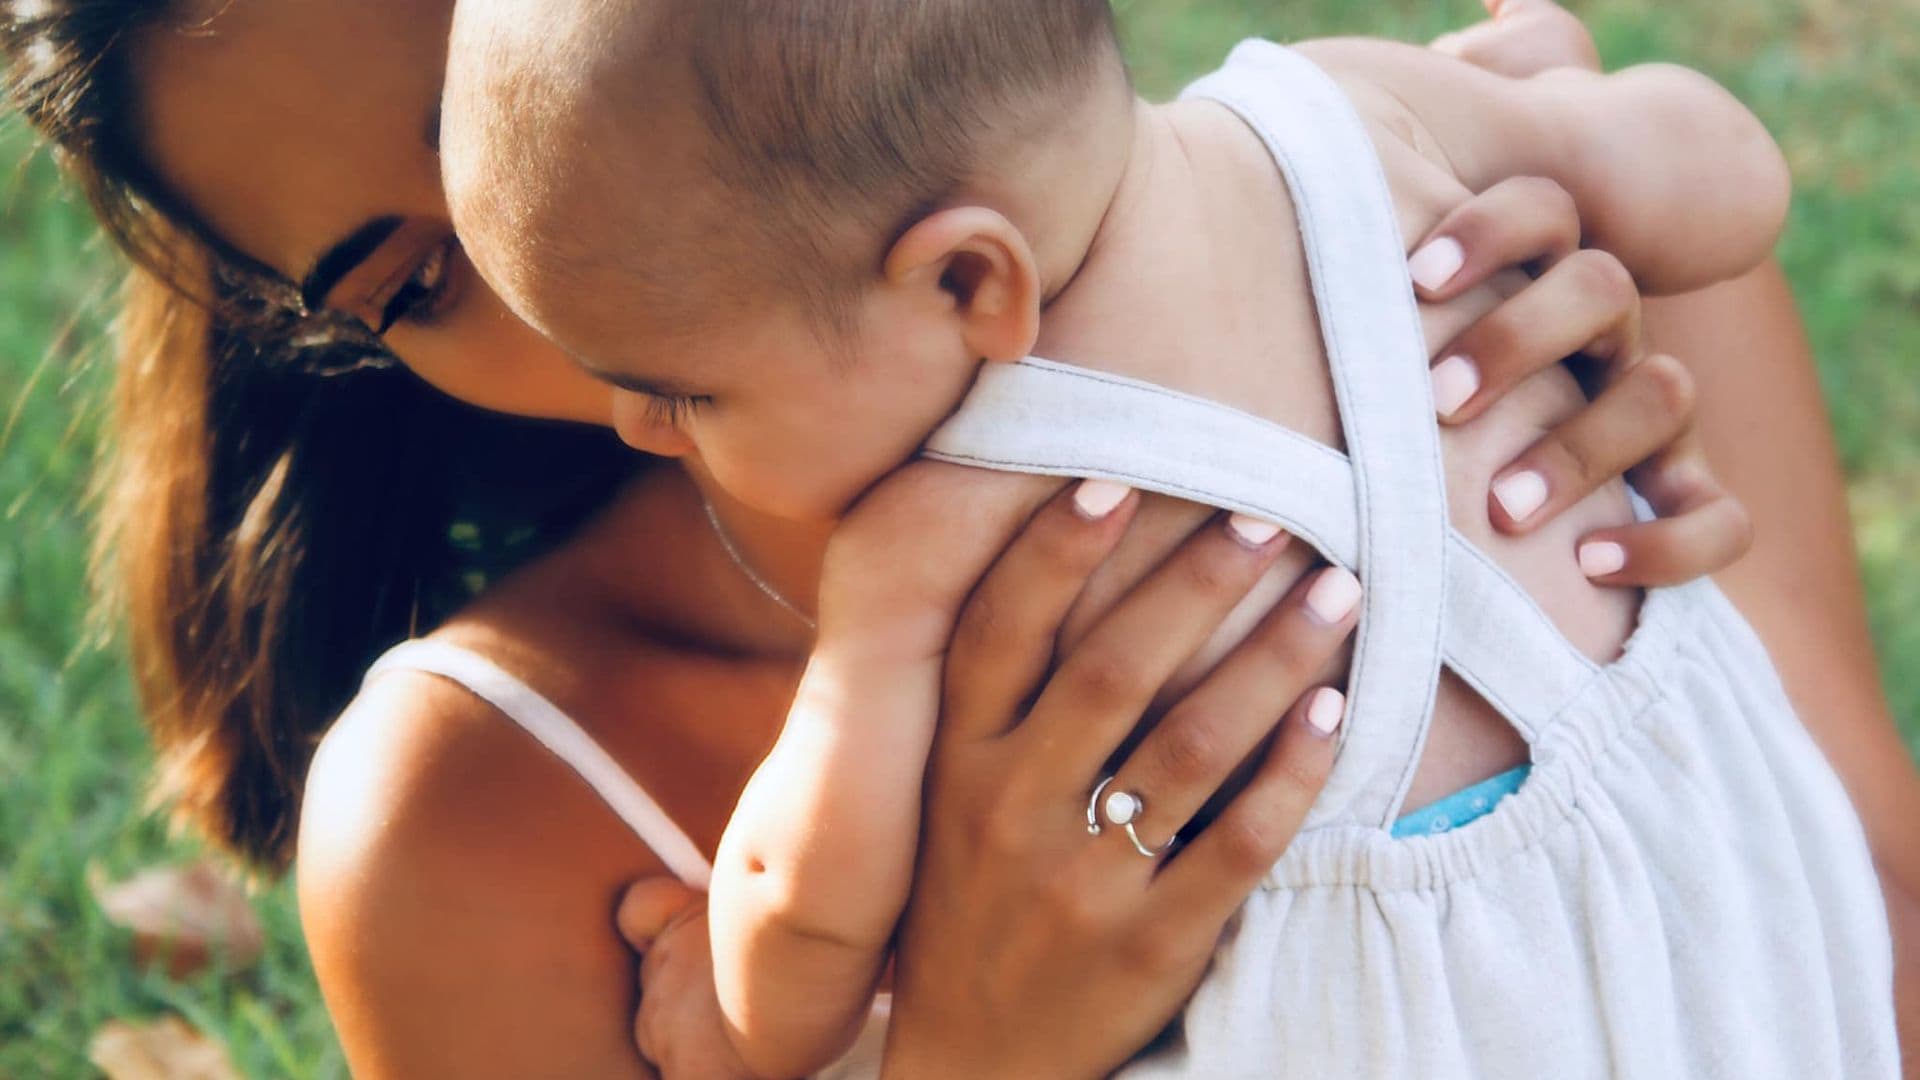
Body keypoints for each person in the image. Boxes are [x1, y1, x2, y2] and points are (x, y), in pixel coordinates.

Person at [1, 0, 1909, 1076]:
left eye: (523, 99)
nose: (555, 264)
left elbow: (1873, 936)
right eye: (425, 275)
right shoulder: (480, 815)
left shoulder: (1491, 248)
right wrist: (981, 1047)